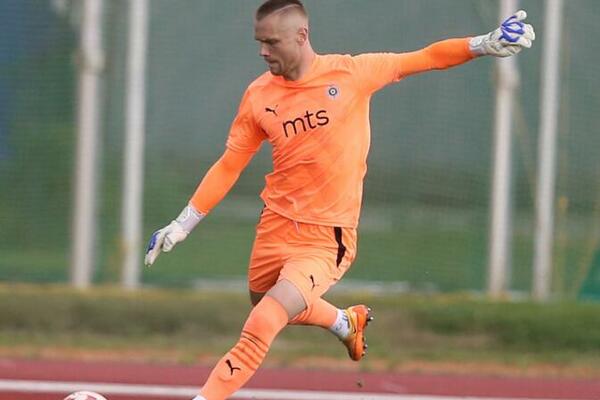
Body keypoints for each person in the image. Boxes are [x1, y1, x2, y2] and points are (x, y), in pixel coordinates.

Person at [144, 1, 535, 399]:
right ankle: (344, 323)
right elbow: (230, 164)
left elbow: (426, 57)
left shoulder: (350, 73)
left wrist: (483, 43)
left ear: (302, 36)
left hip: (325, 237)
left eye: (272, 42)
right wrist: (182, 224)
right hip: (274, 225)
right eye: (259, 42)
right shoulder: (258, 95)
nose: (263, 51)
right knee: (263, 304)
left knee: (264, 320)